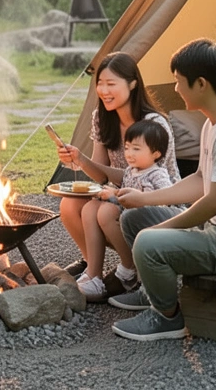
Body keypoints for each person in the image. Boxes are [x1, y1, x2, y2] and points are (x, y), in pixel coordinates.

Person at [108, 39, 216, 342]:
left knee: (148, 243)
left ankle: (167, 317)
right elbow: (201, 179)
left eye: (178, 81)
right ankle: (153, 293)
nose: (175, 89)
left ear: (201, 83)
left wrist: (162, 230)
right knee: (134, 219)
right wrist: (144, 199)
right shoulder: (214, 123)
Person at [54, 52, 180, 298]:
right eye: (100, 83)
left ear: (133, 84)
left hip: (153, 197)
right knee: (69, 205)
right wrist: (80, 159)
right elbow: (100, 174)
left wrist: (106, 186)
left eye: (111, 84)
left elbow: (146, 180)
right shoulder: (102, 117)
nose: (103, 90)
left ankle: (130, 271)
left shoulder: (154, 125)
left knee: (102, 210)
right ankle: (94, 273)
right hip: (117, 193)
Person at [78, 119, 174, 301]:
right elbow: (122, 194)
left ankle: (128, 266)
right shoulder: (131, 171)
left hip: (145, 222)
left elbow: (165, 198)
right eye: (127, 148)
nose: (129, 153)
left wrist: (138, 198)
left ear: (156, 153)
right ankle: (93, 274)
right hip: (126, 216)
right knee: (91, 207)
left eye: (136, 149)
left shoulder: (157, 173)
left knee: (106, 212)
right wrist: (110, 193)